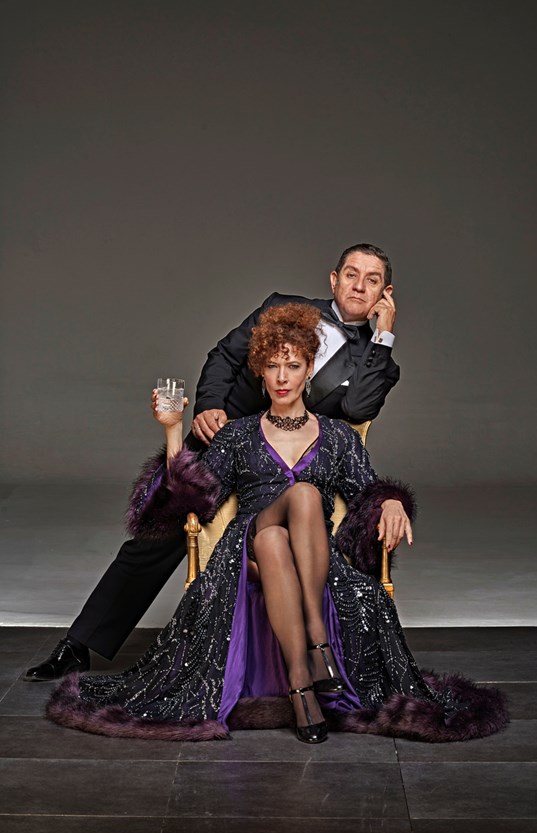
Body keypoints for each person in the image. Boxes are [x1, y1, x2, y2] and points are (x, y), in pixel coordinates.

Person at [46, 304, 508, 744]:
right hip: (243, 549)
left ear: (309, 370)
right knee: (294, 504)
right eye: (272, 366)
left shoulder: (338, 437)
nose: (282, 377)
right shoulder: (237, 434)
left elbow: (368, 494)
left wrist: (391, 502)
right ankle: (317, 642)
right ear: (260, 373)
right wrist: (171, 429)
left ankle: (301, 686)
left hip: (304, 551)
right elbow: (185, 500)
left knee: (277, 538)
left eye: (293, 366)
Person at [25, 243, 402, 683]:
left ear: (385, 293)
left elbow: (357, 406)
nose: (359, 286)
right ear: (334, 279)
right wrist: (208, 406)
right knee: (156, 536)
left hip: (283, 466)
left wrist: (382, 335)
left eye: (372, 280)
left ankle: (305, 656)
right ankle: (79, 645)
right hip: (224, 439)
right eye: (351, 274)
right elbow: (224, 356)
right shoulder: (281, 306)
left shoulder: (379, 360)